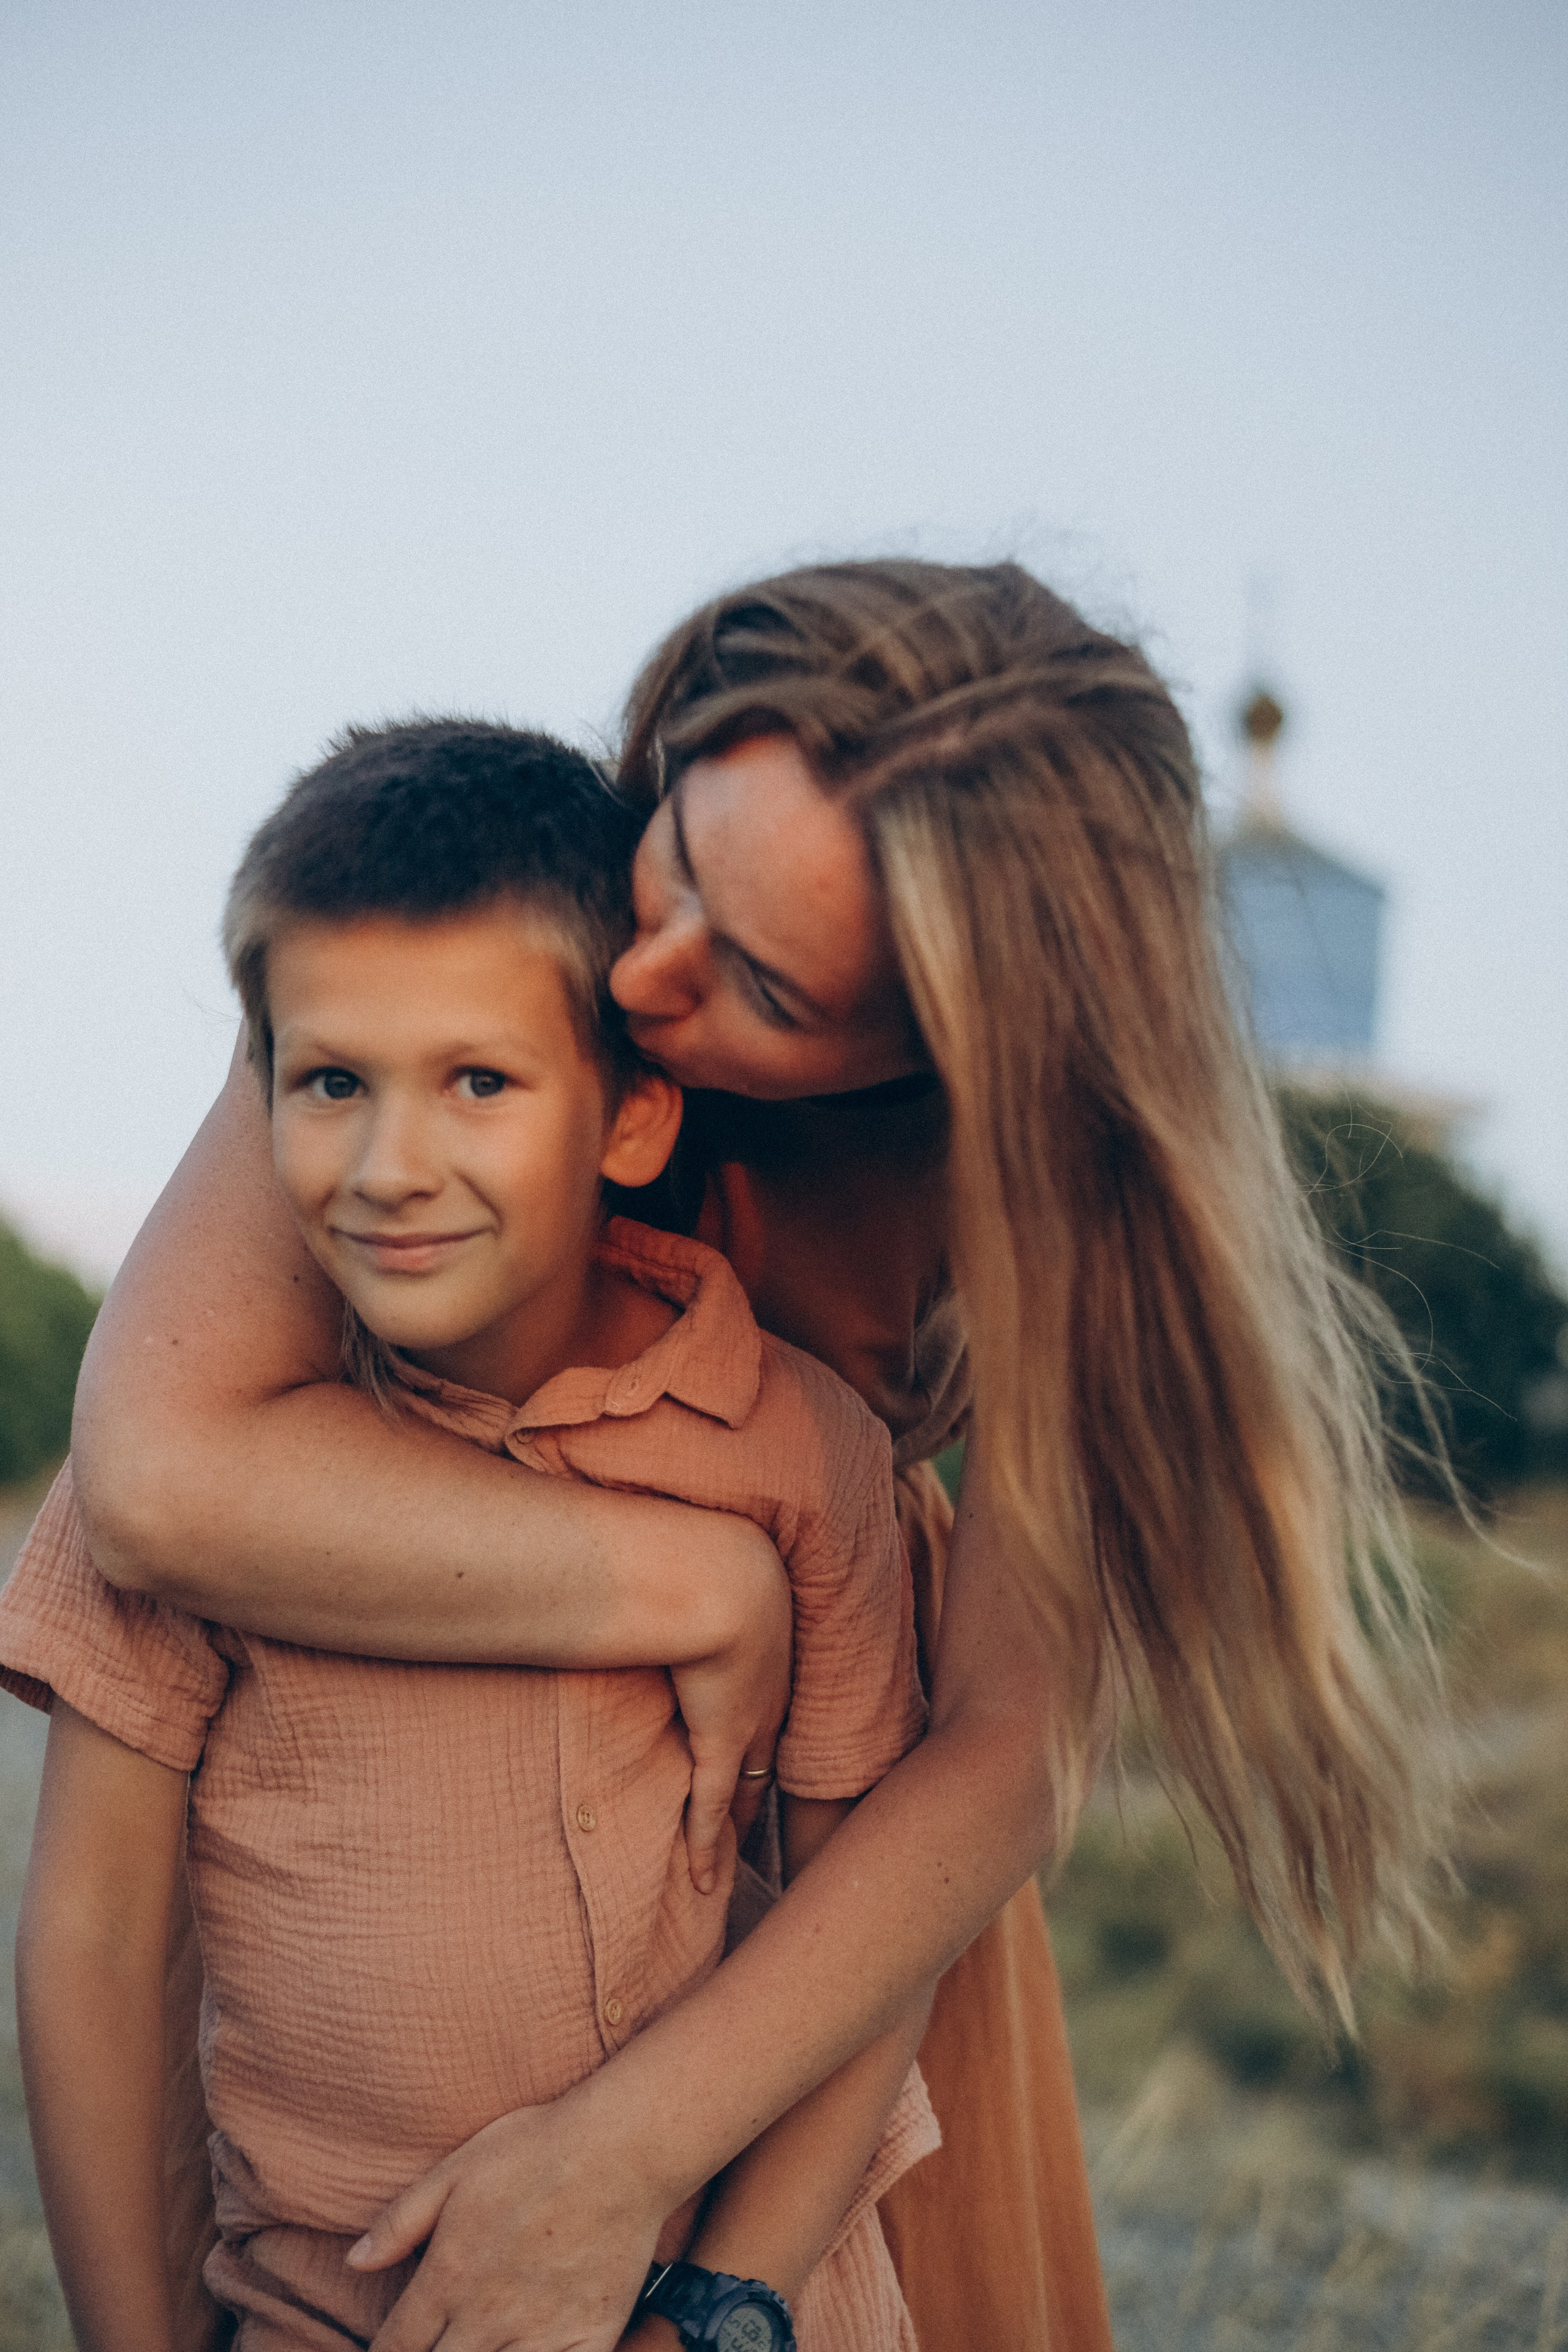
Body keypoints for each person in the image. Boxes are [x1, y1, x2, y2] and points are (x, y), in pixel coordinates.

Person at [68, 561, 1453, 2352]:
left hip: (819, 1932)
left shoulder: (1038, 1176)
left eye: (765, 991)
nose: (643, 976)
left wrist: (647, 2195)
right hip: (389, 1839)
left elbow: (1004, 1751)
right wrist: (684, 1581)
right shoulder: (476, 942)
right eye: (685, 864)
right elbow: (165, 1481)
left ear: (940, 1050)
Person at [5, 720, 940, 2352]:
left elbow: (862, 1933)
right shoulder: (180, 1490)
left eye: (479, 1084)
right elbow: (91, 1939)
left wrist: (721, 2315)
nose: (390, 1168)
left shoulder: (802, 1457)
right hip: (323, 2314)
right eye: (331, 1084)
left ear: (633, 1121)